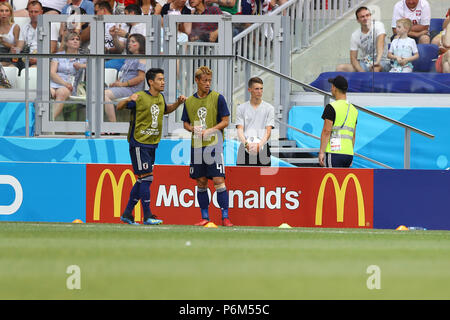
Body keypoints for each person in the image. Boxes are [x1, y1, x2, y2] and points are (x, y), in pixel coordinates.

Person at [117, 68, 186, 225]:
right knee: (147, 178)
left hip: (152, 144)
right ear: (150, 82)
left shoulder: (160, 98)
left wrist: (177, 103)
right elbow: (119, 106)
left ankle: (127, 214)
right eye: (160, 79)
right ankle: (147, 215)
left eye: (163, 79)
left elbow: (165, 110)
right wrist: (129, 99)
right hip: (139, 142)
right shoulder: (140, 97)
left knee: (142, 180)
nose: (163, 82)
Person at [181, 66, 233, 227]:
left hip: (214, 145)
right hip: (197, 146)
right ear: (197, 81)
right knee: (201, 182)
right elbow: (185, 123)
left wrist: (211, 129)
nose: (208, 84)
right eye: (204, 81)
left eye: (209, 80)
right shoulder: (189, 101)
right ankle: (205, 217)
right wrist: (192, 129)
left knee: (218, 179)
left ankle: (225, 217)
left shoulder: (218, 98)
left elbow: (226, 121)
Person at [104, 33, 146, 123]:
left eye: (133, 42)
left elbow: (141, 78)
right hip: (123, 87)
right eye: (129, 42)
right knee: (97, 93)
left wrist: (122, 84)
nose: (129, 44)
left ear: (140, 44)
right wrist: (117, 82)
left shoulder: (143, 58)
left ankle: (112, 126)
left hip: (132, 89)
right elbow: (125, 74)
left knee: (103, 95)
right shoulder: (129, 58)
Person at [319, 75, 358, 168]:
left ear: (334, 88)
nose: (331, 88)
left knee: (332, 180)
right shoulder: (353, 109)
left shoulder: (331, 107)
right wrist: (351, 153)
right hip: (348, 154)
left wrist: (321, 152)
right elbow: (353, 135)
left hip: (334, 153)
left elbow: (326, 131)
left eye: (332, 86)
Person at [336, 6, 389, 73]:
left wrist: (377, 61)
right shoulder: (355, 35)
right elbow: (353, 58)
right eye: (362, 16)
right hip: (367, 61)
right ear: (358, 20)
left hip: (382, 60)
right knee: (340, 68)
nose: (365, 18)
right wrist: (361, 72)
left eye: (367, 15)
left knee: (375, 69)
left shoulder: (378, 25)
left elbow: (380, 43)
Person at [236, 76, 274, 166]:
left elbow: (268, 131)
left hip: (263, 148)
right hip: (245, 147)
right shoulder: (241, 108)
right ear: (249, 90)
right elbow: (240, 129)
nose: (259, 91)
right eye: (256, 89)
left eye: (261, 89)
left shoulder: (269, 108)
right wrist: (246, 144)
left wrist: (259, 145)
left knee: (264, 179)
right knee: (242, 179)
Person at [49, 31, 87, 120]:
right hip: (56, 83)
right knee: (46, 93)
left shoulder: (83, 57)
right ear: (66, 42)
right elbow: (52, 73)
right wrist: (64, 83)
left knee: (61, 93)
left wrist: (81, 65)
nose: (75, 41)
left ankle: (48, 122)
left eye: (77, 39)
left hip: (70, 86)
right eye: (72, 39)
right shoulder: (58, 55)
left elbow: (95, 65)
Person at [17, 0, 43, 68]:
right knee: (12, 66)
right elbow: (20, 46)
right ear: (28, 13)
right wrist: (15, 50)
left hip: (42, 58)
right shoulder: (24, 27)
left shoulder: (48, 26)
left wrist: (38, 58)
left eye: (36, 12)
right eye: (31, 12)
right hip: (26, 58)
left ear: (41, 12)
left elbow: (52, 49)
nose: (33, 14)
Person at [0, 2, 21, 66]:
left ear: (10, 13)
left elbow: (17, 48)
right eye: (1, 11)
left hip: (9, 56)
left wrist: (3, 42)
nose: (4, 13)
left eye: (6, 11)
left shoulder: (15, 27)